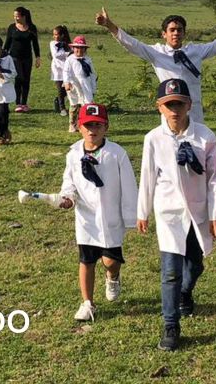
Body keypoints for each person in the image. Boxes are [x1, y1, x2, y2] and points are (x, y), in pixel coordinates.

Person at [137, 78, 216, 351]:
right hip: (168, 213)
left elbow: (215, 178)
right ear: (159, 107)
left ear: (189, 105)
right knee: (170, 272)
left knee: (195, 264)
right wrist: (143, 211)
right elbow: (147, 176)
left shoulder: (204, 136)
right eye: (168, 105)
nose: (174, 110)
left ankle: (185, 293)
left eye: (179, 104)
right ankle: (170, 325)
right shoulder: (153, 138)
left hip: (198, 211)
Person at [95, 7, 216, 122]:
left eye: (179, 30)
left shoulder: (195, 51)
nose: (176, 33)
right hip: (169, 107)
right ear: (164, 34)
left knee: (197, 146)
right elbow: (132, 44)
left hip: (193, 107)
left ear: (184, 33)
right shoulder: (157, 53)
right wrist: (109, 25)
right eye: (172, 30)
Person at [56, 103, 138, 321]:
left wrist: (132, 216)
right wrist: (68, 198)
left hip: (110, 216)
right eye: (88, 125)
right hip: (86, 218)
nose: (93, 130)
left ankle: (113, 277)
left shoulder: (116, 154)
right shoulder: (73, 154)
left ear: (106, 127)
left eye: (98, 125)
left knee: (110, 261)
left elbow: (129, 186)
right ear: (79, 127)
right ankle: (87, 303)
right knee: (86, 261)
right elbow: (69, 182)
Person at [4, 6, 41, 112]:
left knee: (26, 79)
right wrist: (3, 55)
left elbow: (35, 44)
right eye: (14, 16)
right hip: (14, 57)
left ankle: (24, 103)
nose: (15, 18)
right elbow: (7, 42)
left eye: (17, 16)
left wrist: (37, 57)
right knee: (19, 78)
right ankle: (18, 104)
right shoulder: (11, 27)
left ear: (24, 16)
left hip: (27, 58)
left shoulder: (32, 28)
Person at [62, 35, 97, 133]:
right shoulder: (70, 59)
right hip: (74, 86)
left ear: (85, 49)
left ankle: (84, 125)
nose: (79, 50)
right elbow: (66, 72)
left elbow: (92, 74)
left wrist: (93, 88)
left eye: (82, 48)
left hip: (86, 86)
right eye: (77, 48)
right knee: (74, 105)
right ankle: (72, 124)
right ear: (73, 48)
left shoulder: (87, 60)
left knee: (86, 105)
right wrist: (67, 82)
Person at [50, 25, 72, 115]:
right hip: (57, 70)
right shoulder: (53, 43)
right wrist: (68, 53)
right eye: (54, 34)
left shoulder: (68, 44)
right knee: (60, 88)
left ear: (62, 35)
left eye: (57, 34)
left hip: (67, 69)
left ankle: (58, 101)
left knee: (67, 89)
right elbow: (56, 55)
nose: (55, 36)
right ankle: (62, 108)